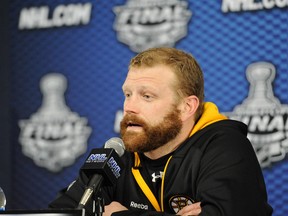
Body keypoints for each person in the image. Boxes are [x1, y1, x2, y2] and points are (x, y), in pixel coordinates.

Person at [49, 47, 273, 215]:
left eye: (147, 96)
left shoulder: (224, 147)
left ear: (187, 107)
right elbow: (61, 213)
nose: (129, 107)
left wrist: (119, 215)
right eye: (128, 94)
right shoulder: (115, 157)